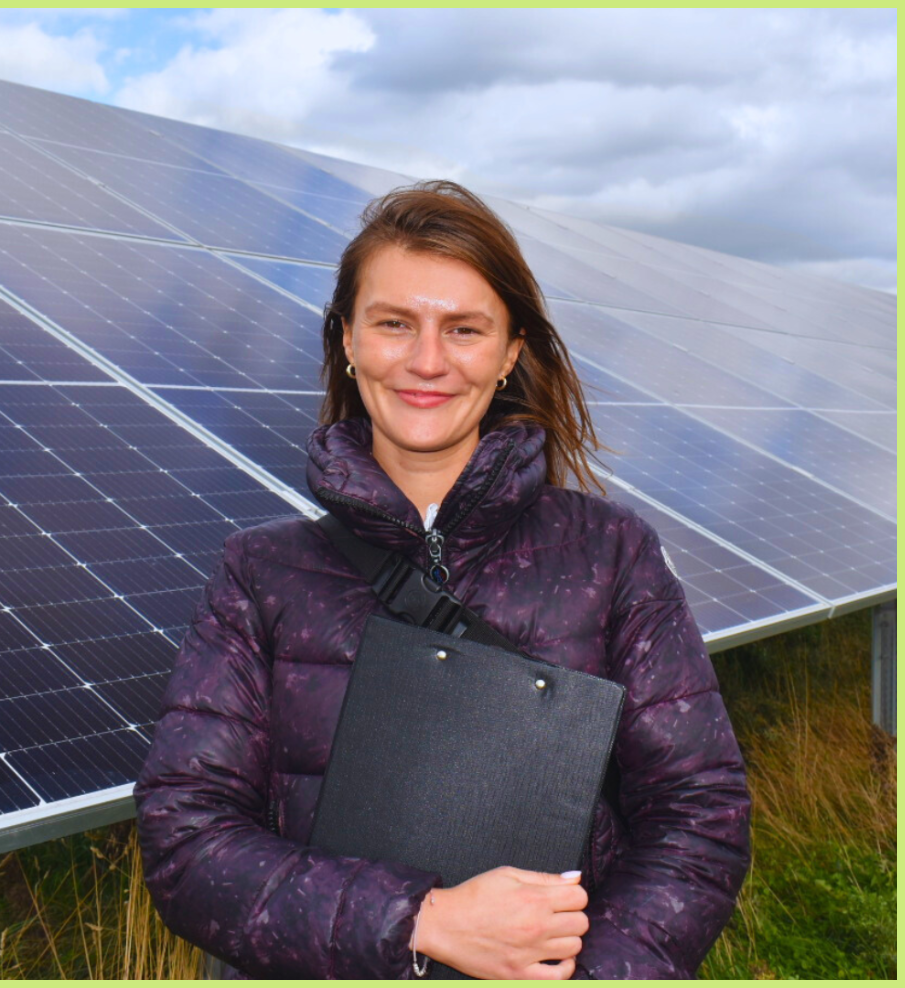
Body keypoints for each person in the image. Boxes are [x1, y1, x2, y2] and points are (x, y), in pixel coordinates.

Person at [134, 180, 751, 980]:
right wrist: (422, 919)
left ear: (510, 353)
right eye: (394, 324)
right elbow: (189, 839)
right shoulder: (260, 575)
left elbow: (700, 817)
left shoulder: (609, 555)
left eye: (464, 329)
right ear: (347, 340)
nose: (427, 361)